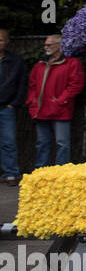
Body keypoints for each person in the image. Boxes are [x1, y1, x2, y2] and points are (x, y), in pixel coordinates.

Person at [26, 33, 85, 168]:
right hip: (41, 109)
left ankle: (61, 173)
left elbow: (76, 84)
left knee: (62, 143)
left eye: (49, 44)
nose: (45, 47)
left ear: (60, 46)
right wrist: (33, 101)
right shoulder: (40, 64)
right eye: (45, 44)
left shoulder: (72, 63)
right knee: (42, 142)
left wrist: (60, 100)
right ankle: (41, 171)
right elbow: (32, 85)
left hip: (60, 110)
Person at [0, 28, 27, 186]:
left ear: (7, 42)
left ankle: (11, 173)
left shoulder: (16, 61)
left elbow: (22, 85)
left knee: (8, 142)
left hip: (5, 107)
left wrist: (14, 104)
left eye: (1, 40)